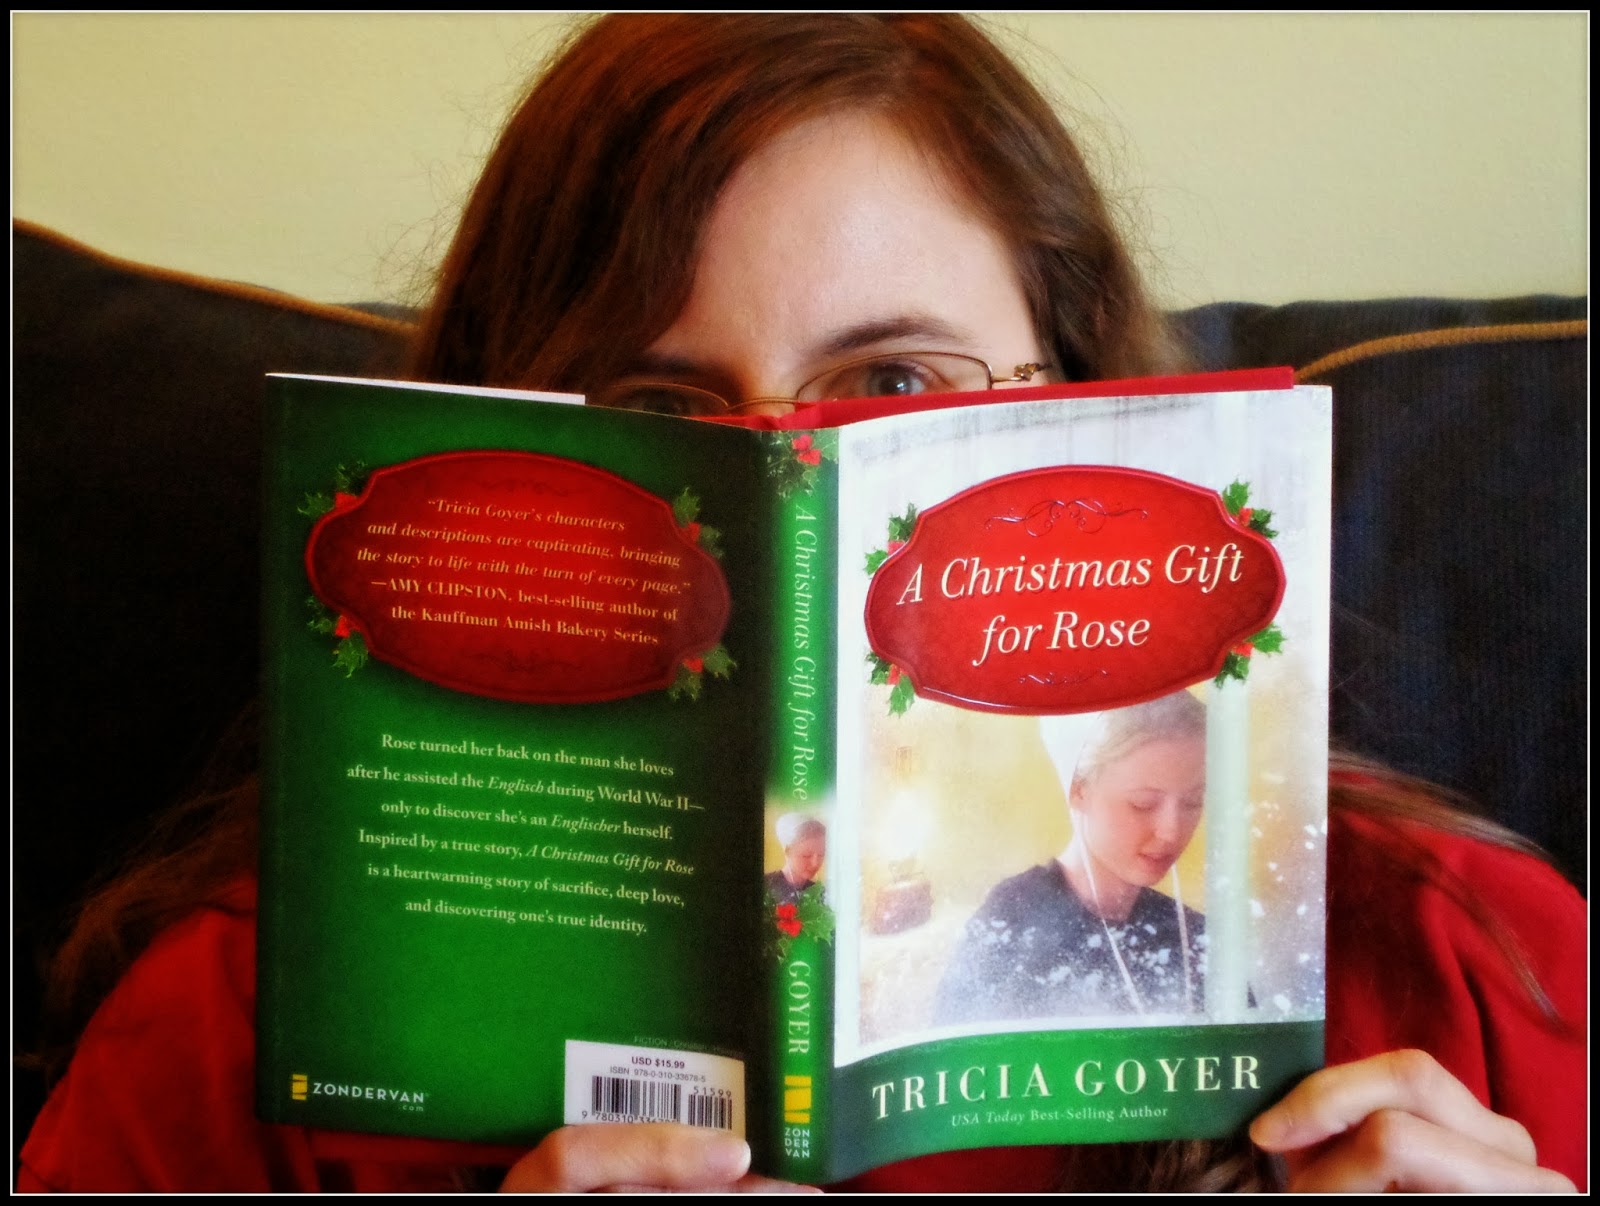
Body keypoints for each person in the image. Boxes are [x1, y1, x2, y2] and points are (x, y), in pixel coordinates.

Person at [19, 14, 1583, 1194]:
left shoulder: (1460, 961)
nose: (780, 482)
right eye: (657, 407)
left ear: (1080, 392)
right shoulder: (254, 1017)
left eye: (894, 382)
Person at [935, 692, 1208, 1024]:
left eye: (1193, 802)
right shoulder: (1013, 925)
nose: (1171, 831)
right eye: (1143, 804)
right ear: (1078, 789)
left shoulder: (1193, 933)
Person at [765, 814, 827, 907]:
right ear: (788, 851)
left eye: (821, 855)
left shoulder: (820, 893)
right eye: (806, 856)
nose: (815, 863)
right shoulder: (765, 886)